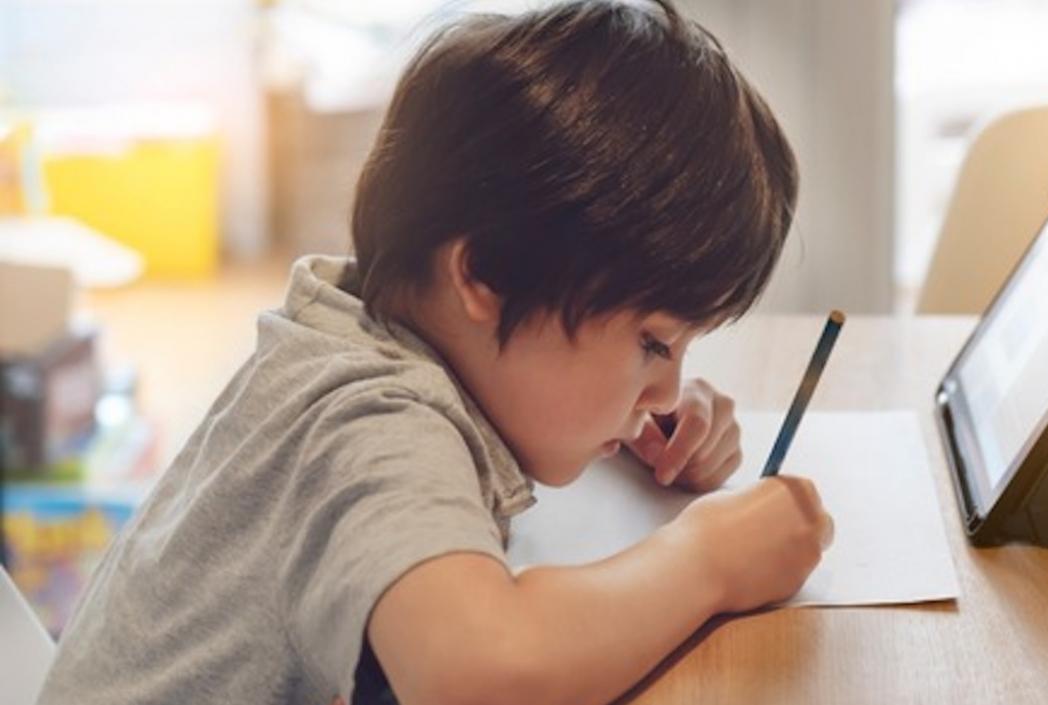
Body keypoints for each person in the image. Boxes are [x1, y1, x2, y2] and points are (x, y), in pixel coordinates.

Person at [38, 2, 833, 703]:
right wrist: (709, 559)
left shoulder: (362, 330)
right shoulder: (370, 420)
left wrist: (633, 421)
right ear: (486, 274)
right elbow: (481, 673)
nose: (667, 390)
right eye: (653, 343)